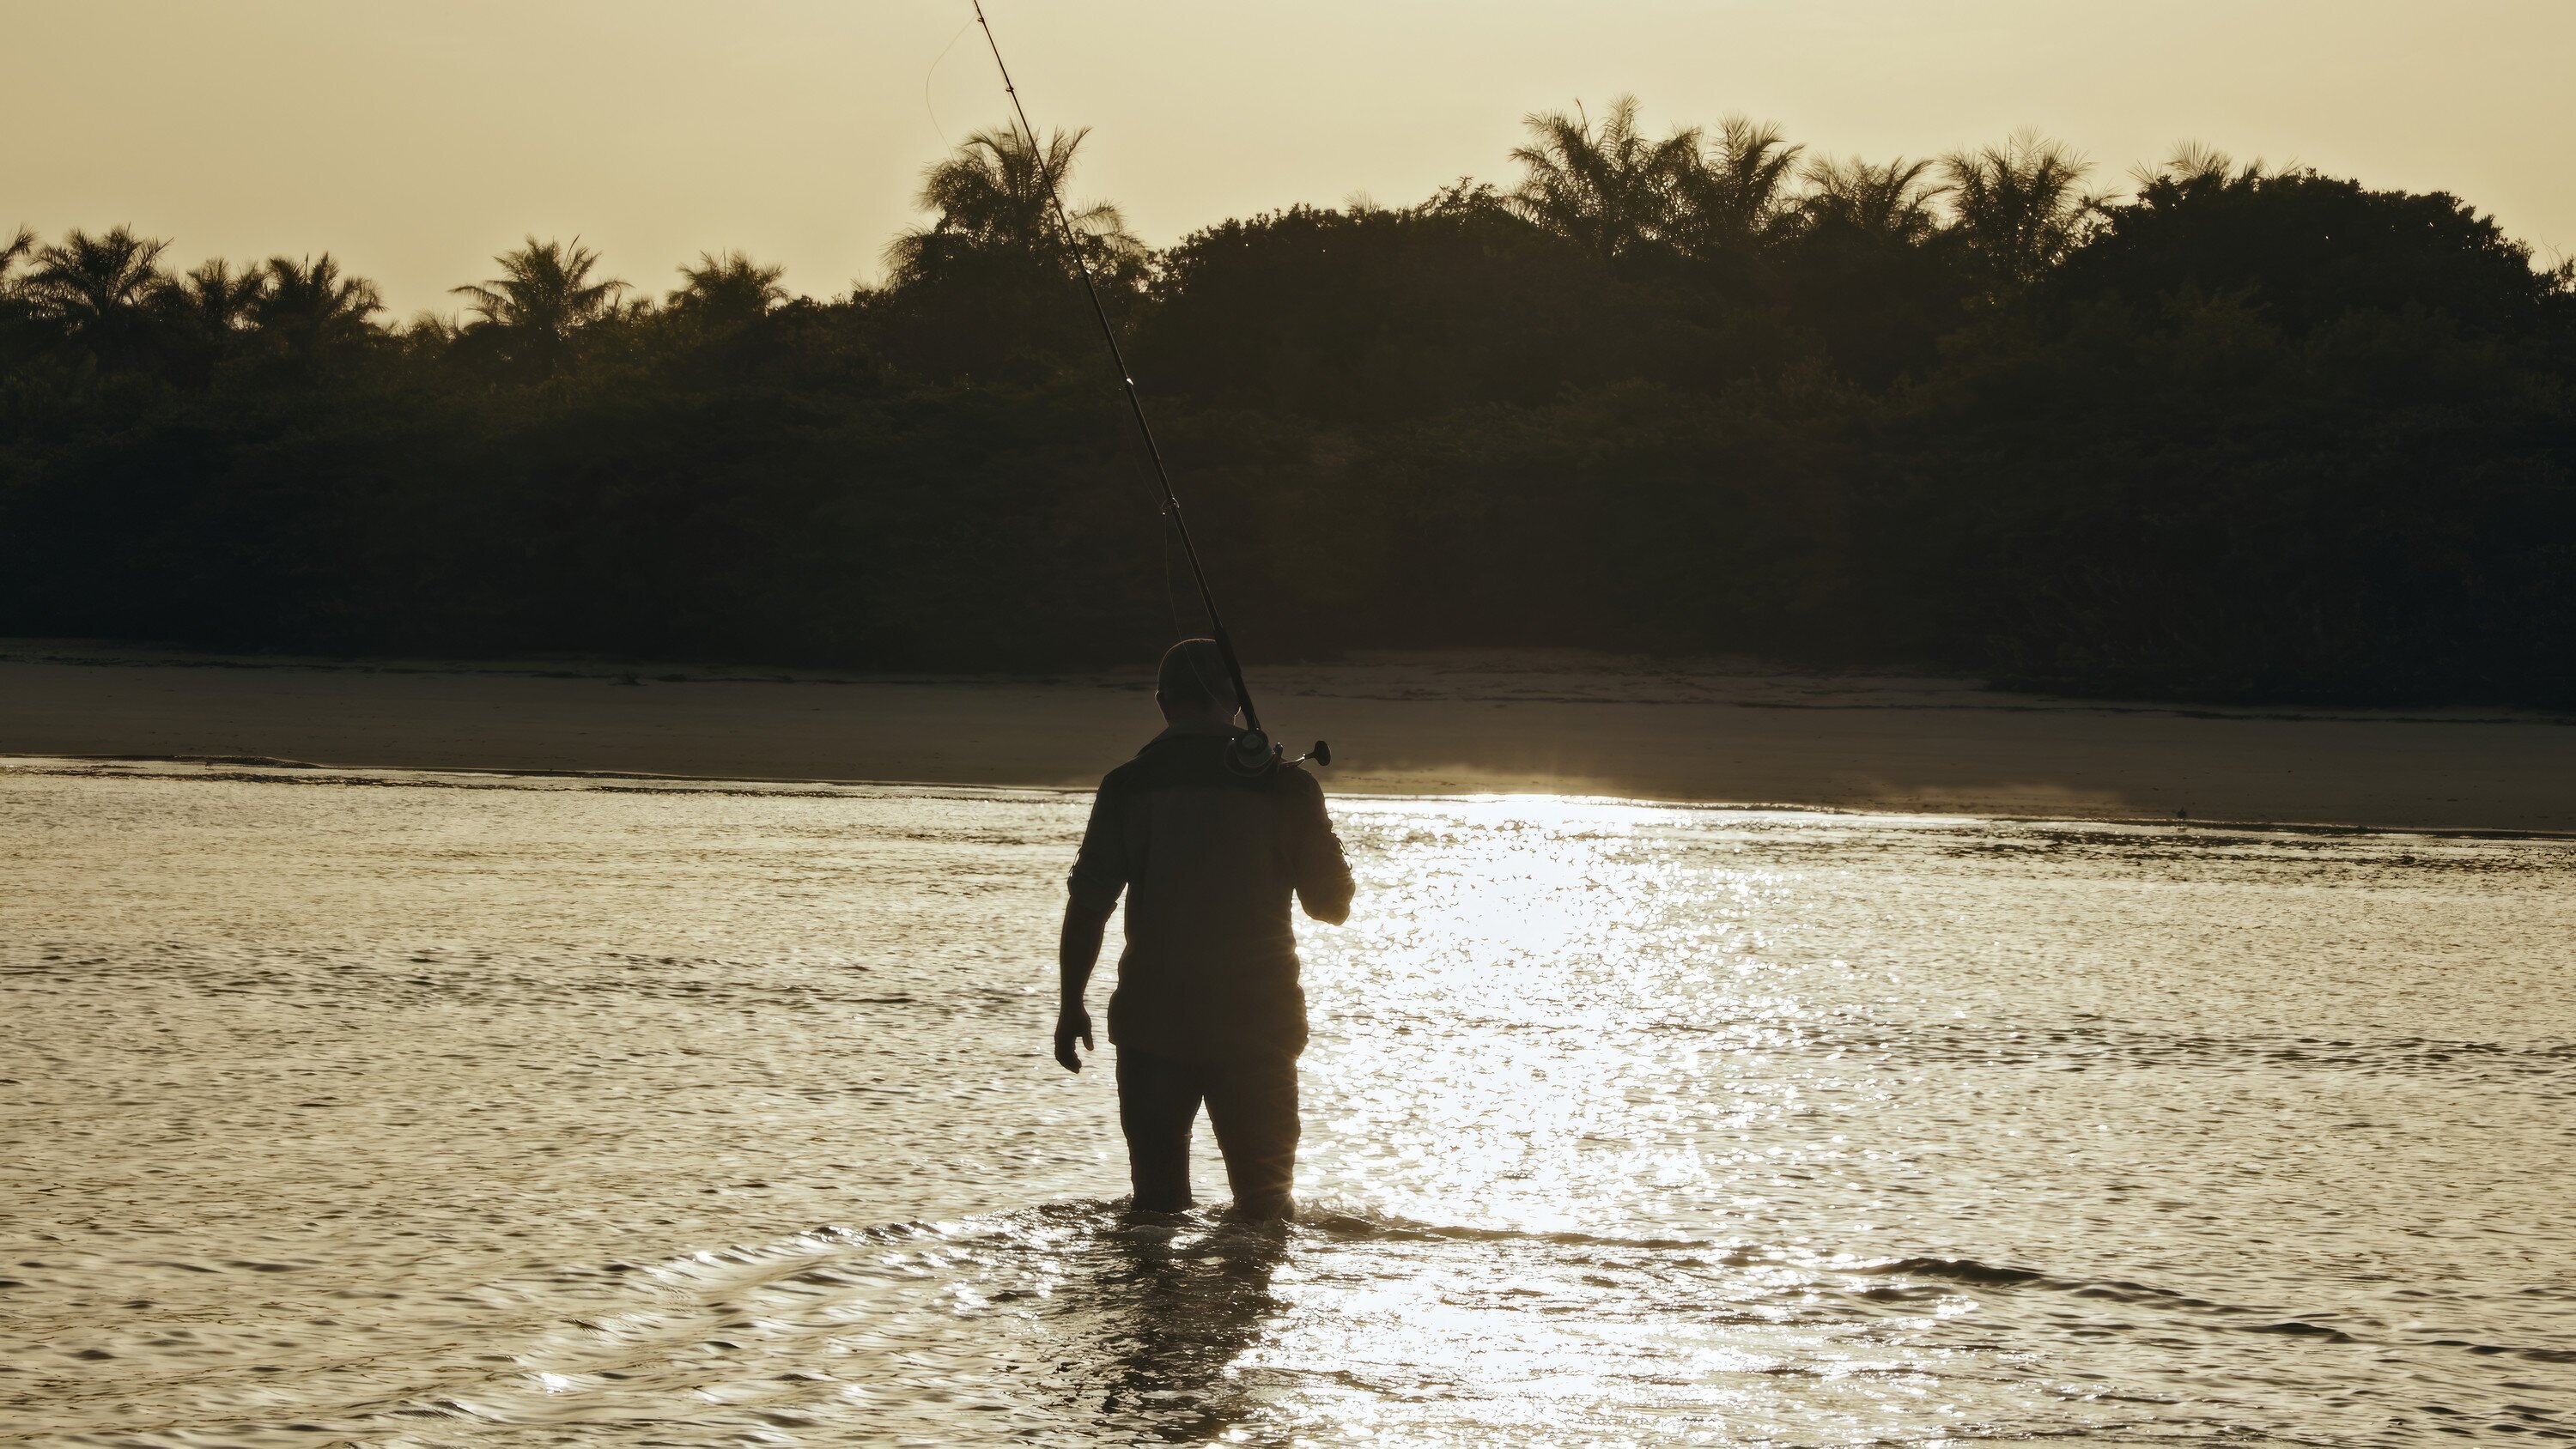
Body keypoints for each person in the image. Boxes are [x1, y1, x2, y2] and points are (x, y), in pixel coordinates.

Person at [1055, 638, 1355, 1221]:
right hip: (1259, 1026)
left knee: (1155, 1212)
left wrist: (1072, 1006)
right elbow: (1332, 906)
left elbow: (1089, 905)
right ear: (1236, 704)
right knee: (1265, 1212)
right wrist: (1317, 828)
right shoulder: (1287, 786)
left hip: (1153, 1026)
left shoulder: (1127, 785)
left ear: (1163, 702)